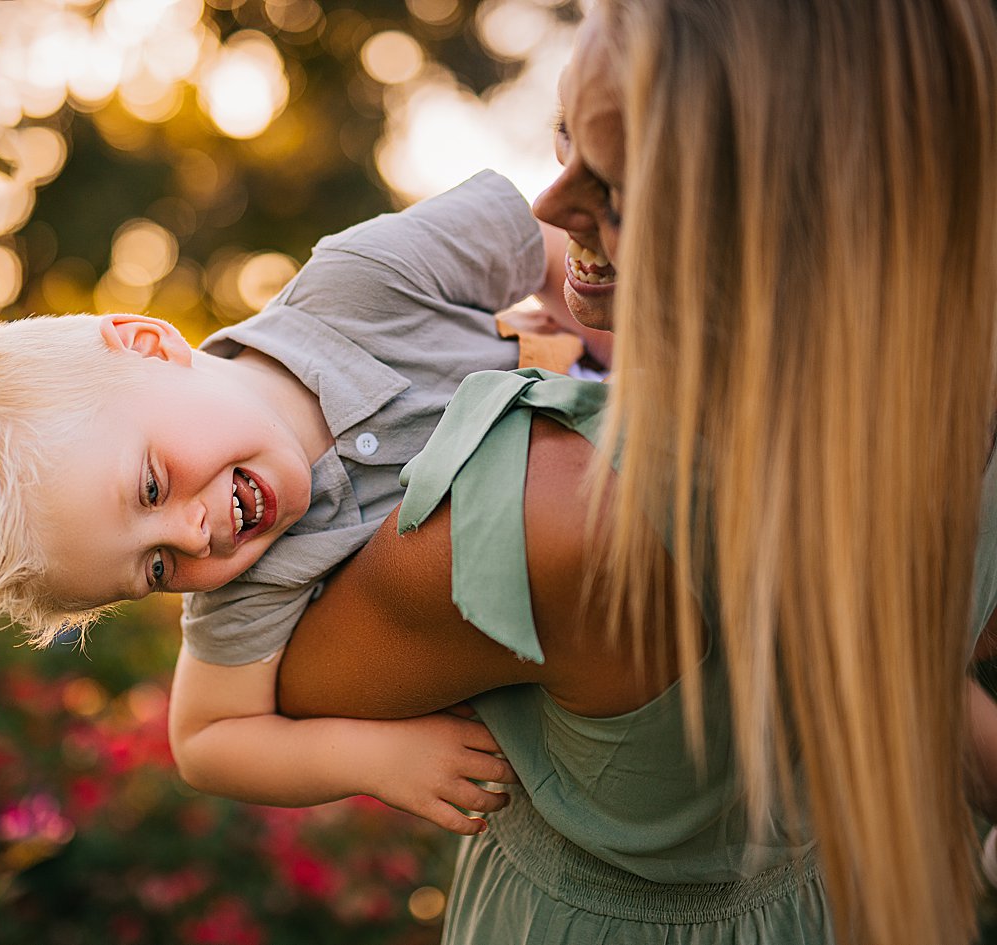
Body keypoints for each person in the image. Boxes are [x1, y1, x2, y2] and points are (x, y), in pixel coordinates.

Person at [262, 0, 997, 942]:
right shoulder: (958, 420)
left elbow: (272, 676)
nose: (548, 205)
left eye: (614, 191)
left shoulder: (560, 513)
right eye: (564, 134)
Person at [0, 171, 564, 834]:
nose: (192, 538)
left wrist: (615, 338)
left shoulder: (360, 284)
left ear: (151, 347)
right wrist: (375, 758)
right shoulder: (249, 583)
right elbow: (206, 741)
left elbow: (550, 240)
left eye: (151, 488)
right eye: (157, 568)